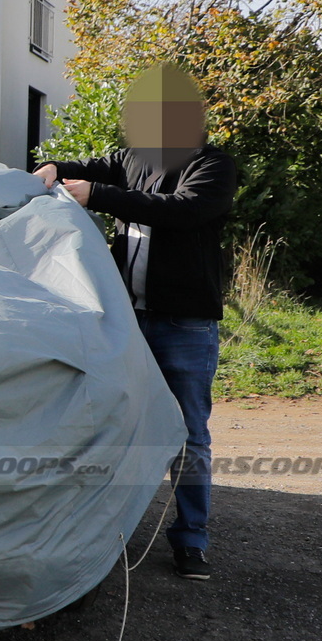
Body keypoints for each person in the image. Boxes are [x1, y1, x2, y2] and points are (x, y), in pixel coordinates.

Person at [34, 62, 239, 580]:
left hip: (185, 326)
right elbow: (87, 166)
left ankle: (191, 543)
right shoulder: (131, 159)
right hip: (127, 321)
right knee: (112, 427)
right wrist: (54, 168)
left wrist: (97, 196)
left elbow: (182, 210)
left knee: (190, 436)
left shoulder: (213, 165)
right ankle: (102, 536)